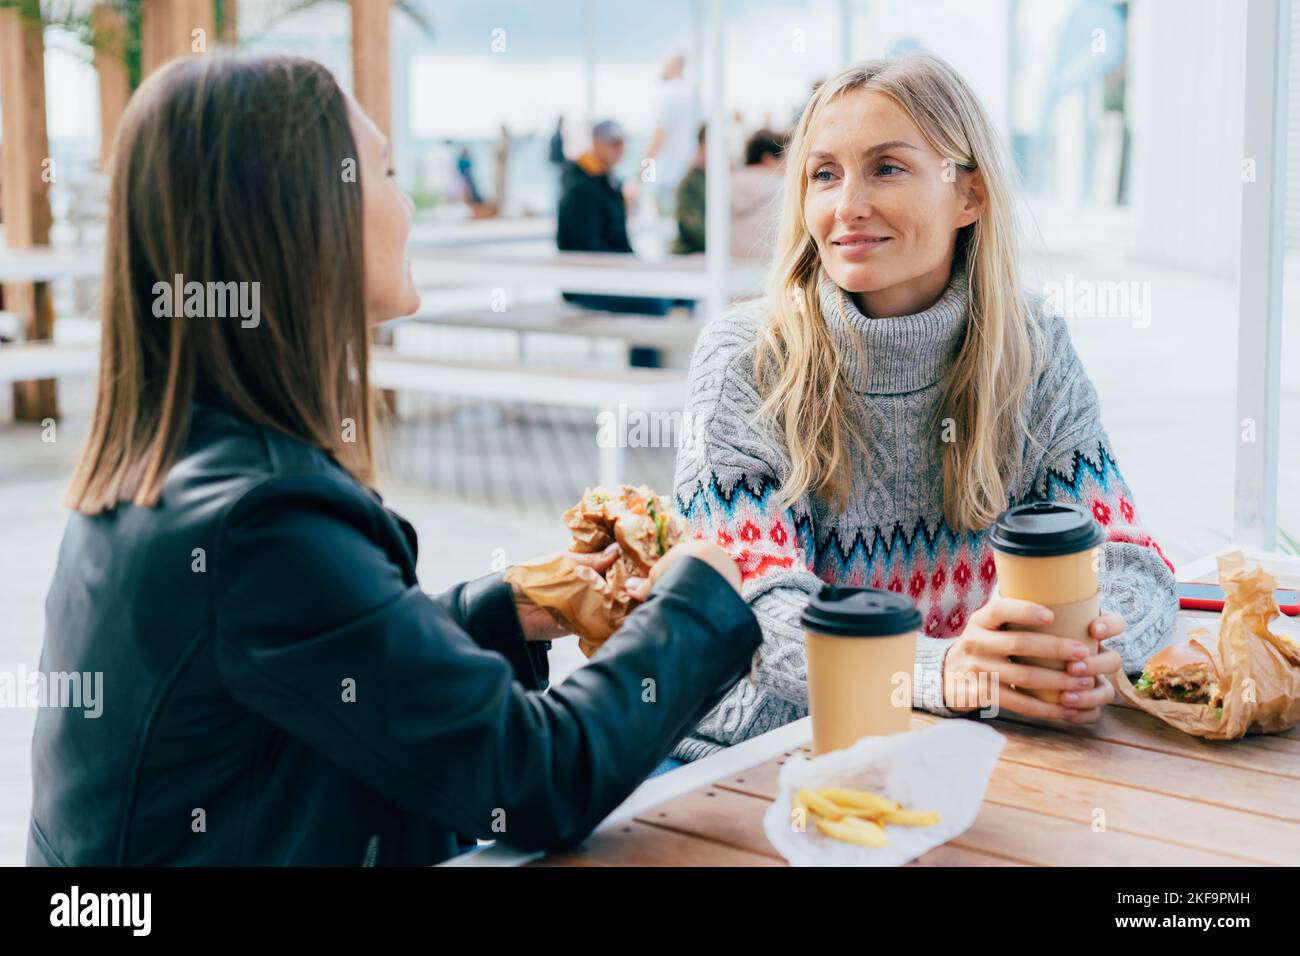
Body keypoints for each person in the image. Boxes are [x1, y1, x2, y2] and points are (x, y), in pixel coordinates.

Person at [27, 52, 759, 866]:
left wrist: (509, 607)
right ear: (301, 213)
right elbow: (534, 779)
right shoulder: (262, 521)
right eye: (381, 168)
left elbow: (327, 673)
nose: (406, 201)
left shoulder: (168, 466)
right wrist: (700, 596)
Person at [668, 54, 1178, 763]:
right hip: (766, 758)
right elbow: (743, 608)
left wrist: (1087, 654)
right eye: (824, 174)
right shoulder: (745, 356)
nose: (847, 205)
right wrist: (945, 673)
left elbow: (1127, 560)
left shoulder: (1030, 346)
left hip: (970, 744)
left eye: (886, 168)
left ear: (968, 194)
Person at [556, 118, 671, 367]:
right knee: (652, 305)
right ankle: (645, 375)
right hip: (587, 283)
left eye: (621, 143)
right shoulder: (582, 187)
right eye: (613, 144)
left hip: (609, 274)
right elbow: (587, 247)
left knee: (677, 296)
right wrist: (629, 269)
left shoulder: (606, 182)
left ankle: (660, 373)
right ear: (596, 144)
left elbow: (617, 241)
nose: (619, 149)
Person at [642, 52, 701, 215]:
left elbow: (659, 135)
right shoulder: (693, 94)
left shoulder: (665, 93)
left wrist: (643, 172)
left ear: (672, 67)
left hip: (665, 175)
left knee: (663, 225)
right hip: (687, 173)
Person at [730, 128, 786, 261]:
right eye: (785, 157)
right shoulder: (782, 187)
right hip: (767, 266)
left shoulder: (725, 185)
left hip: (730, 265)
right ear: (768, 159)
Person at [670, 124, 707, 255]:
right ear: (702, 146)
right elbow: (693, 228)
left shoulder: (723, 179)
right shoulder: (690, 183)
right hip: (690, 257)